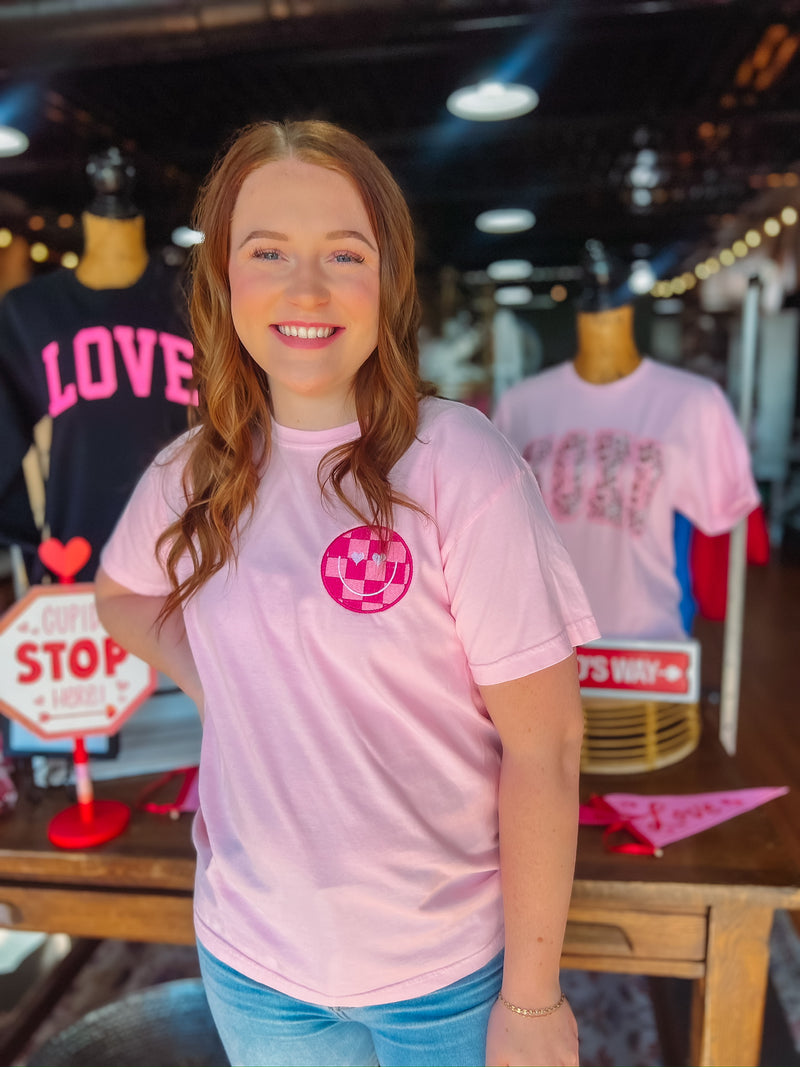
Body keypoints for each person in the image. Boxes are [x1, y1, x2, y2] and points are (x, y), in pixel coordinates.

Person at [95, 119, 598, 1067]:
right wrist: (212, 677)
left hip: (446, 976)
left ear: (388, 277)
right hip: (254, 965)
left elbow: (547, 743)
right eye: (269, 251)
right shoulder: (190, 469)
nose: (307, 288)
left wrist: (532, 1003)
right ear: (225, 280)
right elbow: (119, 597)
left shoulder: (455, 461)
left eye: (344, 252)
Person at [493, 239, 760, 641]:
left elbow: (726, 525)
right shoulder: (520, 406)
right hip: (545, 646)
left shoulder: (693, 403)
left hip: (647, 641)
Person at [0, 147, 195, 583]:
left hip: (191, 564)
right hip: (79, 561)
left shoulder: (197, 304)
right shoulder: (31, 312)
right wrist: (32, 540)